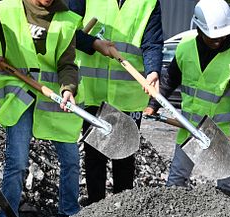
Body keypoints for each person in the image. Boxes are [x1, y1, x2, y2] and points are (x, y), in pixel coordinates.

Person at [0, 0, 82, 217]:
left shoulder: (66, 19)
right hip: (20, 93)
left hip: (53, 98)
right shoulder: (8, 8)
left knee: (71, 159)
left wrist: (68, 88)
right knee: (17, 162)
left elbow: (67, 63)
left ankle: (69, 214)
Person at [142, 0, 230, 193]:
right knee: (176, 180)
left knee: (227, 184)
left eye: (223, 37)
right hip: (190, 129)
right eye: (213, 38)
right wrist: (153, 104)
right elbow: (169, 80)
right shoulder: (185, 49)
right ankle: (170, 214)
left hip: (222, 133)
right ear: (200, 30)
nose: (219, 41)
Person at [68, 0, 163, 205]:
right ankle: (95, 208)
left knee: (125, 158)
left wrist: (153, 70)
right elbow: (68, 30)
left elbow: (152, 43)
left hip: (127, 97)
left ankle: (122, 212)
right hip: (94, 92)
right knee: (94, 157)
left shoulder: (148, 3)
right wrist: (92, 43)